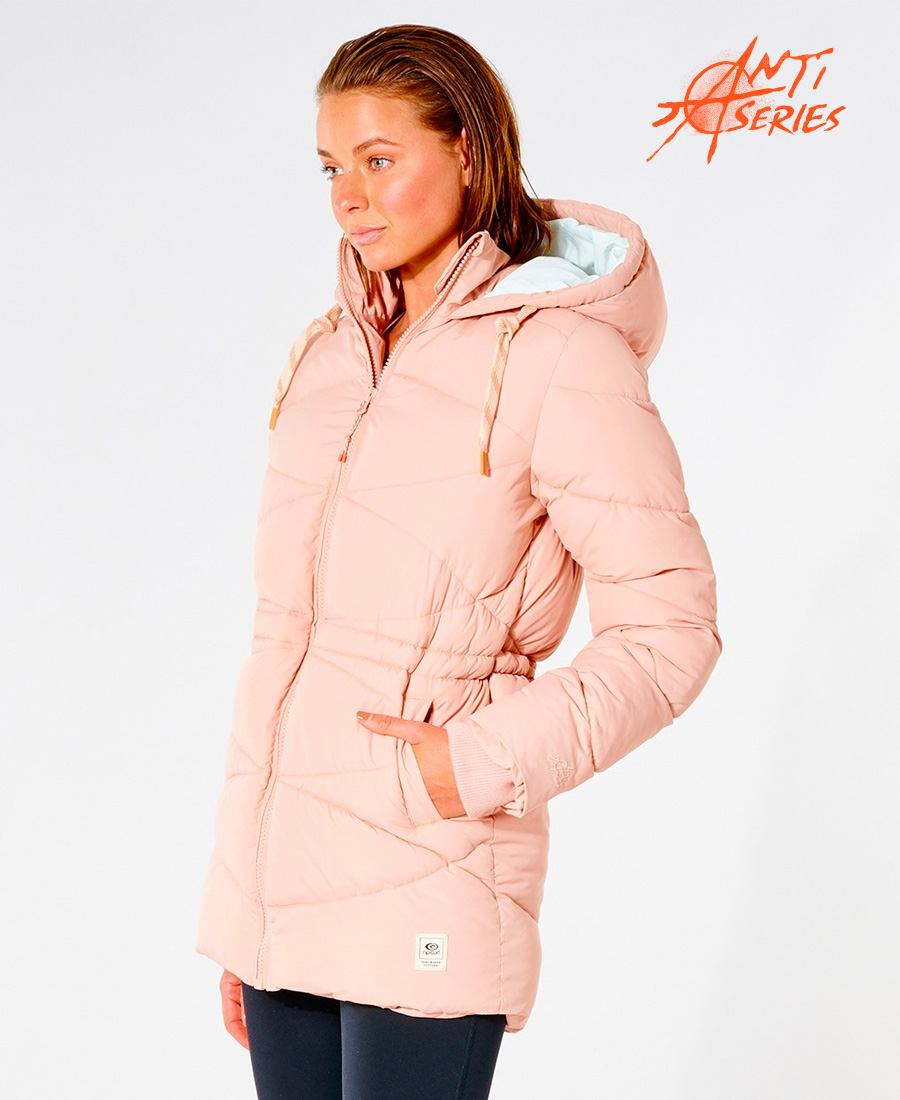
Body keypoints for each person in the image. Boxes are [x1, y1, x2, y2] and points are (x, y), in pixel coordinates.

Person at [195, 22, 723, 1100]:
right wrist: (247, 910)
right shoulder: (329, 356)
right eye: (332, 168)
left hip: (435, 864)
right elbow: (286, 642)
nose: (349, 197)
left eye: (379, 159)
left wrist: (473, 761)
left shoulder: (560, 354)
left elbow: (672, 631)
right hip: (285, 888)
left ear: (469, 152)